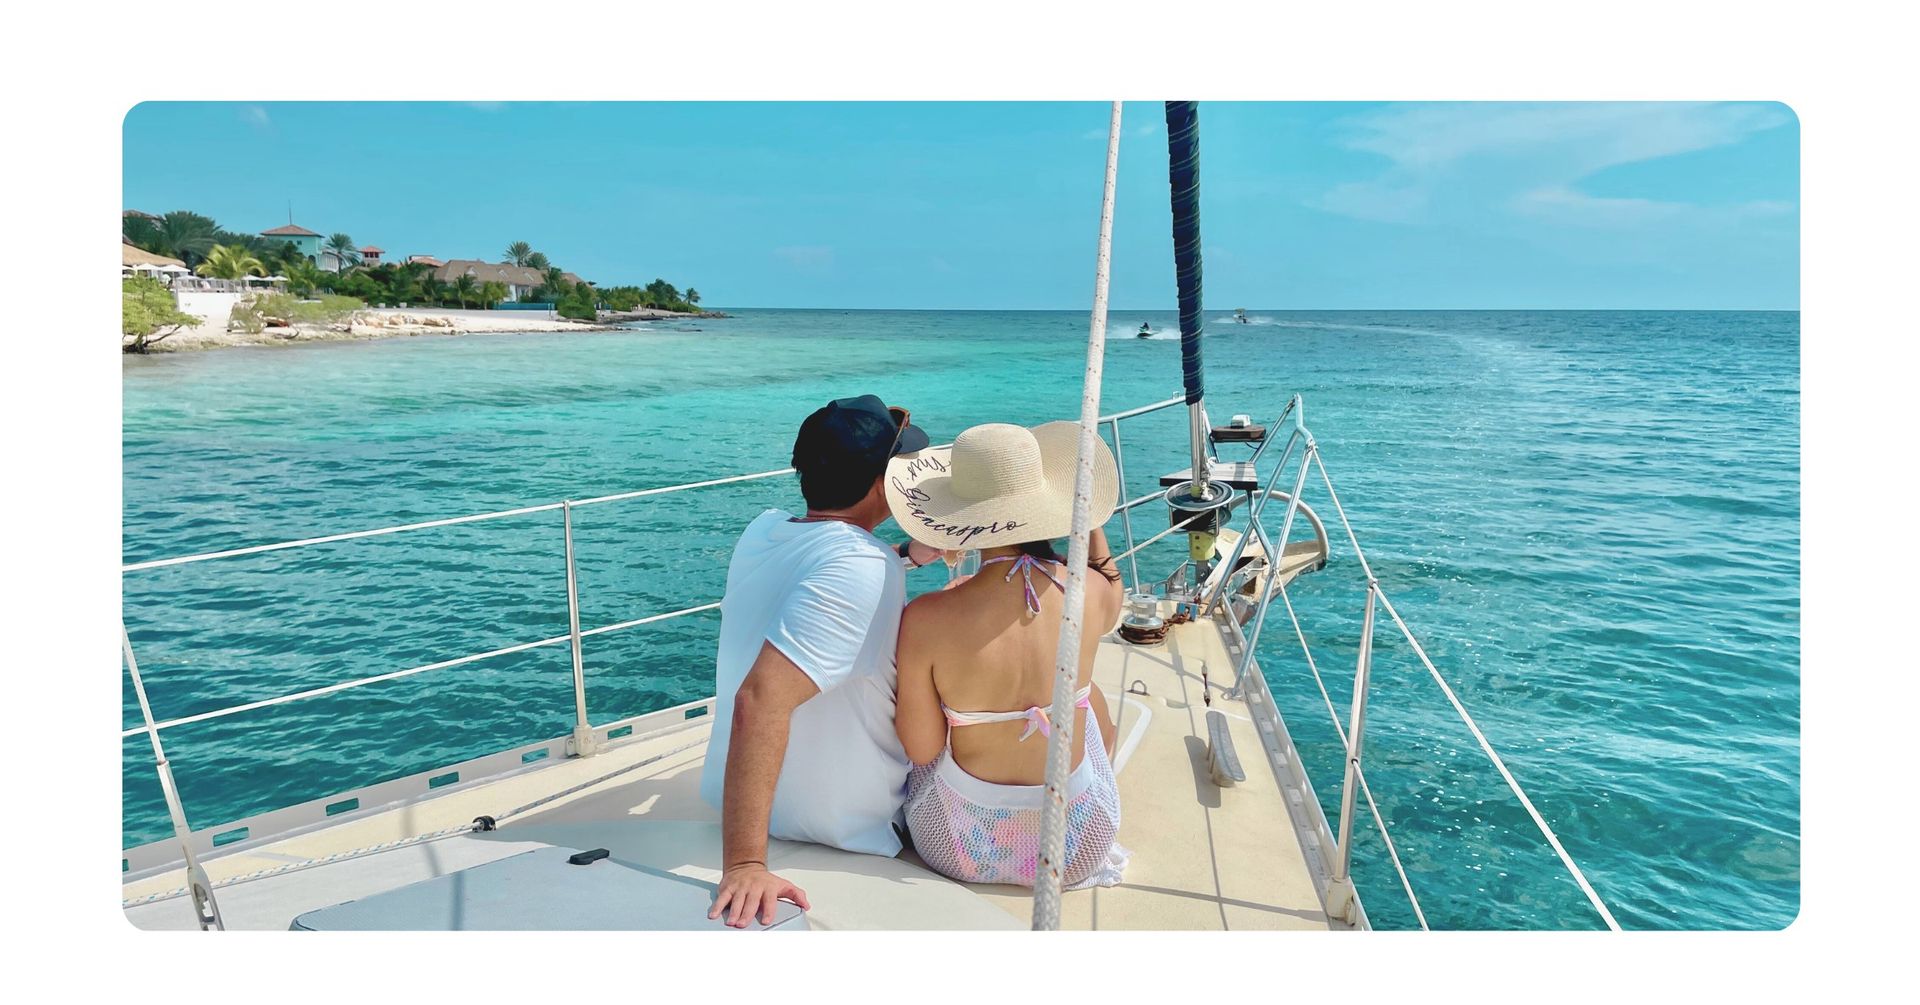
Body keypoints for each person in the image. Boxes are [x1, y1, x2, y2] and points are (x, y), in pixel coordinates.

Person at [701, 394, 939, 928]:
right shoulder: (860, 566)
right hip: (841, 823)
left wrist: (904, 555)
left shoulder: (763, 531)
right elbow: (759, 699)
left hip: (732, 796)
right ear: (885, 483)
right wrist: (744, 864)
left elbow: (829, 568)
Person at [884, 421, 1129, 889]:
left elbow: (922, 748)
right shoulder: (1093, 593)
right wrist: (1087, 516)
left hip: (954, 847)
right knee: (1083, 695)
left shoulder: (927, 617)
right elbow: (1108, 580)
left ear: (961, 515)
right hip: (1076, 848)